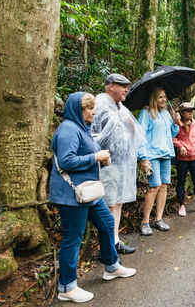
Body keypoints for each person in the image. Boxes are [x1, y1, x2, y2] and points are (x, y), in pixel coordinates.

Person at [50, 92, 136, 303]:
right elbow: (66, 160)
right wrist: (95, 157)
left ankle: (111, 266)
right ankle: (67, 287)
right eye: (89, 108)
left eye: (93, 107)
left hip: (89, 191)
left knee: (107, 224)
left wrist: (100, 159)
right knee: (73, 238)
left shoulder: (82, 128)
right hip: (72, 195)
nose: (93, 112)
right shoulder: (68, 129)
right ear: (77, 111)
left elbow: (86, 154)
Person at [91, 74, 146, 255]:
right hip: (107, 164)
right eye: (122, 86)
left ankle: (114, 242)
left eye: (127, 86)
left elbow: (134, 133)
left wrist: (127, 120)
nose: (126, 89)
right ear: (110, 86)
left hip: (122, 163)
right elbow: (92, 135)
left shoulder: (120, 107)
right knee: (109, 203)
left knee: (118, 202)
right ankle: (105, 248)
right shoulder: (99, 104)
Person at [138, 87, 180, 236]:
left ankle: (158, 219)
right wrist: (143, 157)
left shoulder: (167, 115)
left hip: (166, 154)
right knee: (154, 187)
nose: (163, 100)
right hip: (152, 155)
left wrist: (175, 123)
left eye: (164, 97)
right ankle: (145, 222)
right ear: (153, 99)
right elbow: (140, 135)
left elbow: (171, 134)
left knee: (164, 187)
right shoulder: (147, 113)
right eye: (159, 97)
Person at [173, 102, 195, 216]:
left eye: (191, 111)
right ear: (182, 113)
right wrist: (180, 146)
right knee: (181, 181)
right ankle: (181, 206)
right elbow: (172, 138)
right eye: (187, 111)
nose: (190, 113)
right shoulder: (176, 125)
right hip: (182, 158)